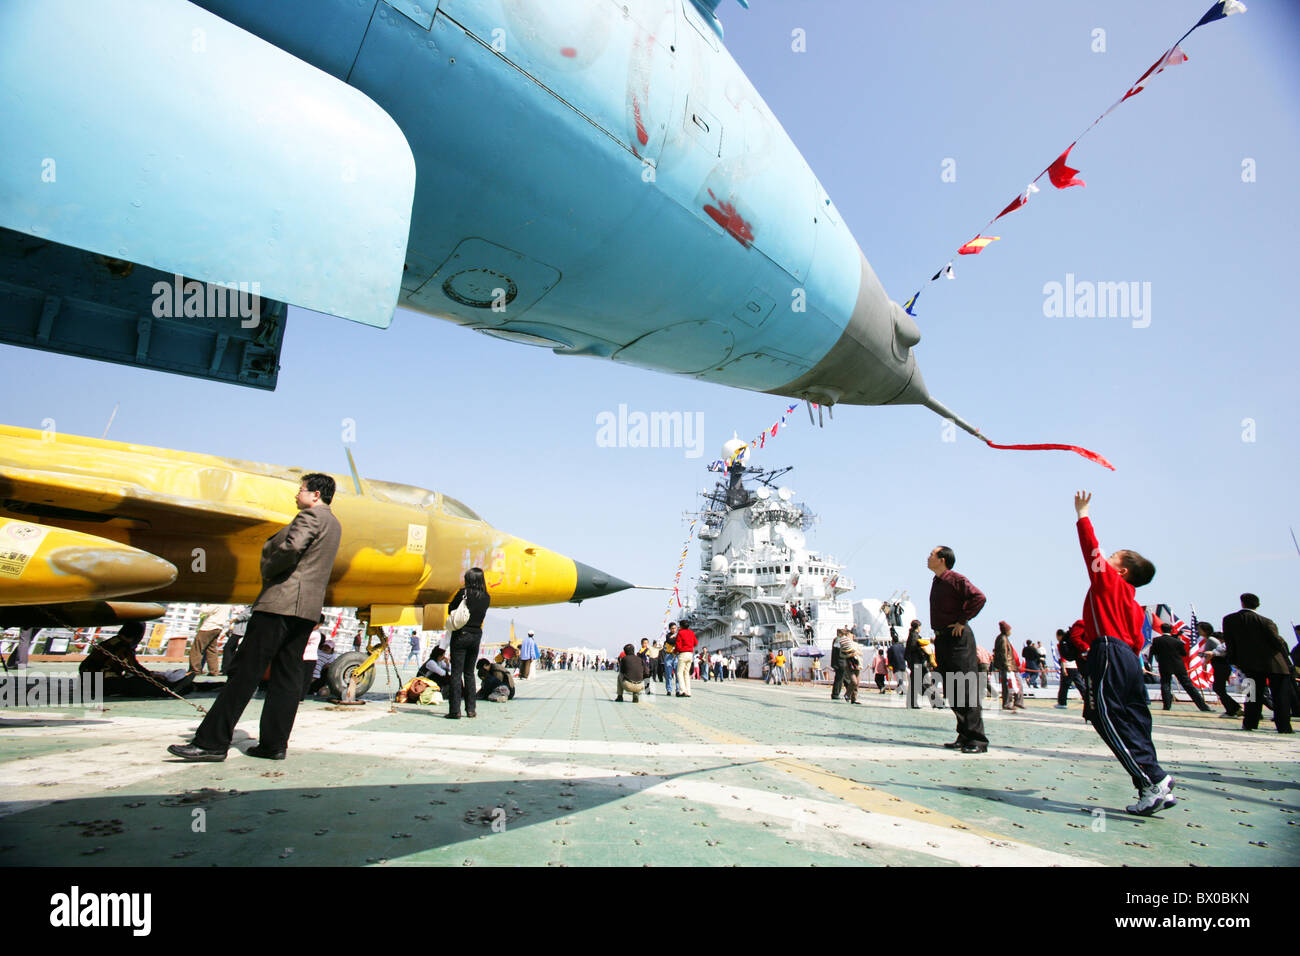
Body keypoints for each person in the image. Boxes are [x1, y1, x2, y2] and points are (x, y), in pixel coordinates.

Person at [169, 473, 342, 762]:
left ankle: (211, 742)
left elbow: (291, 547)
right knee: (287, 678)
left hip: (279, 604)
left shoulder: (309, 517)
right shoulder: (334, 525)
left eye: (300, 490)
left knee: (244, 673)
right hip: (306, 610)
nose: (296, 495)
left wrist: (269, 569)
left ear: (315, 495)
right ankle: (273, 745)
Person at [1070, 491, 1174, 815]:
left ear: (1122, 571)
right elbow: (1136, 638)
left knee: (1104, 714)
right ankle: (1153, 784)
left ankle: (1153, 780)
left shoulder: (1109, 583)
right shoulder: (1133, 602)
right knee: (1135, 720)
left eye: (1114, 556)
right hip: (1130, 659)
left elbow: (1091, 551)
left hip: (1109, 652)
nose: (1107, 558)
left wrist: (1082, 514)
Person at [927, 546, 988, 753]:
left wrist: (962, 620)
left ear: (942, 559)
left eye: (932, 554)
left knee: (964, 687)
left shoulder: (955, 579)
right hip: (943, 639)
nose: (928, 557)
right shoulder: (938, 581)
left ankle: (978, 740)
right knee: (953, 689)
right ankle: (964, 734)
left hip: (958, 639)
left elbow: (979, 597)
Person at [1223, 594, 1293, 734]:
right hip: (1275, 664)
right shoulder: (1266, 621)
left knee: (1252, 695)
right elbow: (1277, 643)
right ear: (1258, 605)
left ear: (1242, 603)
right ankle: (1283, 726)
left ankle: (1250, 723)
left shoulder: (1229, 620)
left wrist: (1234, 660)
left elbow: (1230, 642)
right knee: (1280, 697)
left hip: (1249, 664)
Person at [82, 622, 195, 697]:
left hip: (88, 681)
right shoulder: (123, 647)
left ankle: (171, 687)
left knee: (131, 681)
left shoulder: (111, 642)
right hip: (101, 683)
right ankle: (170, 689)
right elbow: (133, 668)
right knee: (137, 683)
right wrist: (151, 675)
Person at [441, 568, 491, 719]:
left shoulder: (463, 593)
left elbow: (451, 608)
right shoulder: (486, 597)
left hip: (461, 634)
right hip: (476, 635)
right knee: (469, 673)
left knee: (456, 673)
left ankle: (455, 711)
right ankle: (471, 709)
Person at [1151, 623, 1211, 712]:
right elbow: (1184, 653)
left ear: (1161, 630)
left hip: (1164, 665)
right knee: (1188, 686)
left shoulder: (1156, 640)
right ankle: (1203, 706)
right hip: (1178, 665)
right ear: (1171, 630)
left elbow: (1153, 651)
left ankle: (1166, 706)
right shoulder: (1177, 642)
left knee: (1165, 684)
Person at [1196, 622, 1240, 718]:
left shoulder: (1211, 640)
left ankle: (1233, 709)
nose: (1198, 631)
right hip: (1219, 666)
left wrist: (1205, 661)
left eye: (1199, 629)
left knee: (1218, 688)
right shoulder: (1209, 640)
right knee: (1219, 688)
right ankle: (1233, 708)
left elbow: (1221, 651)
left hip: (1221, 666)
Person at [190, 604, 232, 676]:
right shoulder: (227, 605)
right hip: (218, 627)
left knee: (197, 648)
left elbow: (205, 610)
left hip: (209, 626)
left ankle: (195, 670)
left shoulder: (217, 602)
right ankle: (214, 670)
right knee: (212, 650)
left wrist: (203, 603)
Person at [993, 622, 1024, 711]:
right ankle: (1007, 703)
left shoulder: (1004, 638)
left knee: (1017, 684)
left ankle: (1018, 701)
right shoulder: (1002, 639)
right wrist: (1007, 666)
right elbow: (1003, 653)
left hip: (1011, 666)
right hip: (1008, 666)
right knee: (1008, 686)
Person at [1055, 624, 1088, 707]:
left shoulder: (1061, 644)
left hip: (1067, 666)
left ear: (1059, 636)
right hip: (1075, 667)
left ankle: (1062, 703)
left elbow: (1062, 658)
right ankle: (1087, 699)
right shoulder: (1071, 641)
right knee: (1080, 685)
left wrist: (1063, 669)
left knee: (1064, 686)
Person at [300, 616, 326, 701]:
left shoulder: (315, 634)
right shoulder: (312, 632)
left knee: (305, 680)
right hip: (304, 658)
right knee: (301, 679)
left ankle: (300, 697)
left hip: (310, 659)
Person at [675, 621, 696, 697]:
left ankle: (682, 690)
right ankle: (688, 692)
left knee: (679, 673)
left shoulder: (680, 633)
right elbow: (695, 643)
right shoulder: (692, 633)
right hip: (690, 654)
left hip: (683, 654)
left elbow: (678, 645)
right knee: (686, 673)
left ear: (681, 626)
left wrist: (675, 651)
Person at [663, 624, 679, 696]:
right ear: (670, 629)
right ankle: (669, 690)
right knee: (668, 674)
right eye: (672, 628)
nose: (674, 630)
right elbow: (670, 641)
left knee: (678, 674)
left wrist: (675, 639)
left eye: (675, 628)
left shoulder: (678, 635)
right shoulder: (668, 635)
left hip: (677, 655)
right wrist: (676, 639)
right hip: (669, 655)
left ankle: (678, 690)